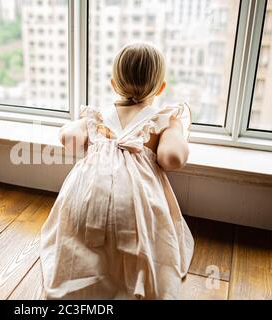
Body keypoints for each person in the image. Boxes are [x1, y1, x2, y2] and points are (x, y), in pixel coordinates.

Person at [40, 42, 194, 299]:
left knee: (81, 243)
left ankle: (84, 280)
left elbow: (69, 140)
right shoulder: (162, 119)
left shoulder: (98, 117)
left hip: (85, 199)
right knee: (140, 241)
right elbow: (172, 159)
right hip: (135, 205)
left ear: (114, 84)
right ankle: (127, 283)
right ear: (161, 88)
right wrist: (177, 133)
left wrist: (82, 130)